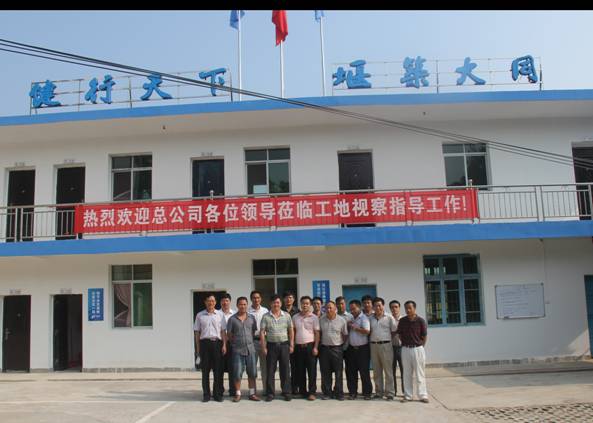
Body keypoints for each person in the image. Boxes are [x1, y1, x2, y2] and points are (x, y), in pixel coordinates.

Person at [260, 294, 294, 402]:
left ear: (281, 303)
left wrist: (291, 344)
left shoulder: (287, 315)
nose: (276, 304)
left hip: (284, 345)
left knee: (285, 370)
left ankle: (286, 392)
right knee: (270, 370)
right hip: (271, 346)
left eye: (278, 302)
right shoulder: (266, 316)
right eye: (274, 302)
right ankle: (270, 393)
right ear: (270, 304)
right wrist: (264, 347)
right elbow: (262, 332)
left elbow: (291, 331)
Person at [226, 296, 261, 402]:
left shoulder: (251, 318)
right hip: (237, 350)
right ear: (237, 305)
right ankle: (238, 394)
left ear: (247, 305)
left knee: (252, 372)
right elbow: (229, 334)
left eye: (244, 304)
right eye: (240, 304)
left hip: (250, 349)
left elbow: (253, 332)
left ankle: (252, 393)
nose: (243, 306)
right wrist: (235, 343)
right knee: (237, 373)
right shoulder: (232, 319)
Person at [193, 294, 227, 402]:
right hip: (204, 344)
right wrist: (198, 349)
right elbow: (197, 333)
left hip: (217, 344)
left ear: (215, 302)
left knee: (218, 371)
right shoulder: (199, 315)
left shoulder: (220, 315)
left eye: (212, 301)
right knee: (205, 371)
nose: (210, 303)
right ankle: (206, 395)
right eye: (208, 301)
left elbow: (223, 331)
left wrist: (224, 345)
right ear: (205, 302)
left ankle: (217, 394)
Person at [396, 300, 429, 403]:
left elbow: (424, 336)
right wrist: (406, 344)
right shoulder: (402, 321)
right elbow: (400, 335)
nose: (408, 310)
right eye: (406, 308)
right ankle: (408, 396)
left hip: (418, 349)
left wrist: (420, 346)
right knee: (406, 373)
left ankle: (423, 395)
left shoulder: (421, 321)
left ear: (414, 308)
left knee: (420, 373)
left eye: (410, 308)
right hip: (405, 349)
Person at [318, 300, 348, 401]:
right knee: (325, 372)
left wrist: (340, 345)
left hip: (337, 349)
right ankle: (327, 393)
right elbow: (319, 333)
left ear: (335, 309)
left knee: (338, 372)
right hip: (324, 349)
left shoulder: (341, 320)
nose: (328, 309)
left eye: (330, 307)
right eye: (327, 308)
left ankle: (338, 393)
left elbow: (345, 335)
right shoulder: (321, 319)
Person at [292, 295, 320, 401]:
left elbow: (317, 333)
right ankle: (303, 391)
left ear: (310, 305)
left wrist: (316, 347)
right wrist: (292, 345)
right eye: (303, 303)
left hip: (310, 346)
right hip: (298, 347)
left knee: (312, 371)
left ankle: (312, 392)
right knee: (300, 370)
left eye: (307, 303)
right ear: (300, 304)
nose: (305, 305)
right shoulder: (295, 317)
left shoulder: (314, 317)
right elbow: (293, 332)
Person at [369, 297, 397, 400]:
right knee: (376, 371)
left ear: (383, 306)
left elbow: (394, 331)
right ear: (373, 307)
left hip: (386, 345)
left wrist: (386, 339)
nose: (378, 307)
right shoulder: (370, 318)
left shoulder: (389, 317)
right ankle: (378, 392)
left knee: (388, 370)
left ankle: (390, 393)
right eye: (375, 306)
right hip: (374, 346)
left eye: (379, 305)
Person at [345, 299, 373, 400]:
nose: (352, 311)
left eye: (354, 309)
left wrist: (355, 328)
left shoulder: (364, 318)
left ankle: (367, 393)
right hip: (351, 349)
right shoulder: (351, 318)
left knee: (364, 372)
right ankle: (353, 392)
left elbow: (367, 331)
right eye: (351, 309)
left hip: (363, 349)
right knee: (351, 372)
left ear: (359, 307)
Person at [248, 290, 269, 396]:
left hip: (264, 341)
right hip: (252, 341)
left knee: (265, 368)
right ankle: (253, 391)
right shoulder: (247, 312)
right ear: (251, 299)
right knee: (252, 368)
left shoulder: (265, 311)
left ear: (261, 299)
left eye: (258, 298)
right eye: (254, 298)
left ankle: (266, 390)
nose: (256, 299)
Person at [282, 290, 300, 395]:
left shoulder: (298, 311)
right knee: (284, 367)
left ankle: (295, 387)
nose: (288, 299)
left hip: (295, 342)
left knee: (295, 366)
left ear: (293, 299)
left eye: (290, 297)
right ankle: (285, 388)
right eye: (286, 297)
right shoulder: (280, 310)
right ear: (283, 299)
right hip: (283, 342)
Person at [335, 296, 352, 397]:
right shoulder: (334, 316)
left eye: (342, 303)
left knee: (350, 370)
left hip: (349, 347)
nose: (340, 306)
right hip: (337, 347)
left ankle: (351, 391)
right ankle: (338, 390)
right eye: (338, 304)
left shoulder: (350, 316)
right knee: (338, 370)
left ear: (345, 304)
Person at [220, 293, 236, 398]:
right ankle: (219, 389)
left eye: (227, 300)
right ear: (220, 302)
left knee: (232, 368)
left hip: (232, 344)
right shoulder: (217, 313)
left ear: (230, 302)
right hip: (219, 343)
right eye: (223, 301)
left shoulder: (235, 314)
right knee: (219, 367)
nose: (225, 303)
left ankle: (233, 390)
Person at [389, 299, 404, 397]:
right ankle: (393, 391)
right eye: (392, 307)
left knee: (404, 370)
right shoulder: (388, 319)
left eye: (396, 307)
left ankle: (405, 391)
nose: (394, 309)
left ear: (399, 308)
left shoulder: (404, 319)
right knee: (391, 371)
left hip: (403, 348)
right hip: (391, 348)